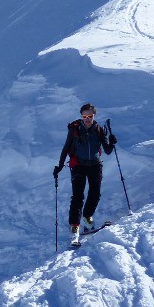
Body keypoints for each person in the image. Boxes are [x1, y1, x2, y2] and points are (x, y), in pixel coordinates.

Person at [53, 103, 117, 245]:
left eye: (90, 116)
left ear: (94, 116)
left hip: (95, 165)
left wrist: (111, 143)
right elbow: (66, 148)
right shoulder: (75, 130)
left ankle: (87, 216)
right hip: (78, 165)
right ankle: (74, 229)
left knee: (95, 194)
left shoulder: (99, 130)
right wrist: (59, 166)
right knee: (77, 197)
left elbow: (107, 150)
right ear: (81, 116)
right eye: (85, 116)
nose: (87, 119)